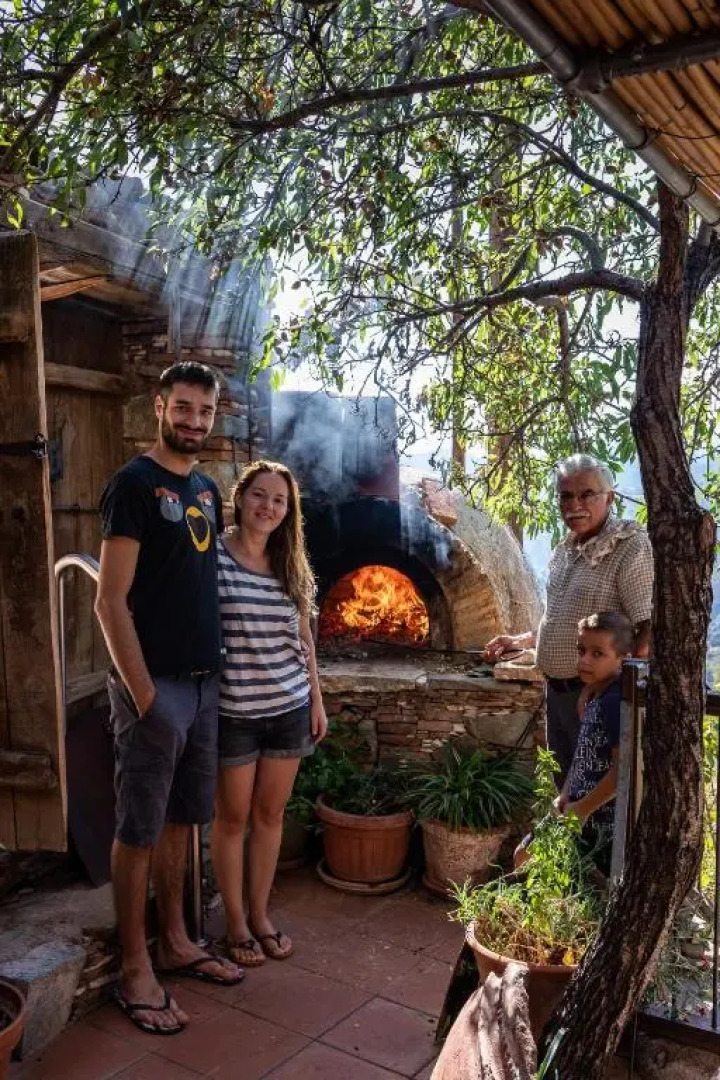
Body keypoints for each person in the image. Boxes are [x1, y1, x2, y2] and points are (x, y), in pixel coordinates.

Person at [96, 361, 242, 1037]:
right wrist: (145, 693)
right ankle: (133, 968)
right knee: (139, 828)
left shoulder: (207, 491)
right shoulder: (133, 484)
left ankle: (177, 941)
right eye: (182, 407)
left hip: (204, 684)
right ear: (159, 405)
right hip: (156, 689)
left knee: (184, 819)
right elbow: (109, 599)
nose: (192, 421)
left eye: (203, 412)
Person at [211, 460, 328, 966]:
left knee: (270, 815)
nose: (268, 507)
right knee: (232, 818)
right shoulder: (211, 557)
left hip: (288, 706)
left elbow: (304, 640)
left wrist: (317, 700)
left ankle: (260, 916)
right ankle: (234, 924)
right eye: (260, 495)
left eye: (279, 501)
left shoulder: (290, 563)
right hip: (232, 709)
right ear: (241, 498)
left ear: (288, 511)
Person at [484, 454, 652, 784]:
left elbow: (646, 630)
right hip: (559, 695)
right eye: (565, 496)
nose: (574, 504)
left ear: (610, 498)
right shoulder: (566, 549)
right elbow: (558, 617)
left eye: (586, 494)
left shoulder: (628, 548)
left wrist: (605, 688)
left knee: (599, 795)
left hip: (598, 701)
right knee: (568, 792)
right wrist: (518, 641)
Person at [515, 610, 634, 877]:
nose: (584, 661)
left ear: (623, 661)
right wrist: (566, 793)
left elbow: (622, 770)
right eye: (581, 651)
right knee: (524, 855)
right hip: (574, 808)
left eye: (597, 654)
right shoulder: (596, 696)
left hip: (597, 822)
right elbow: (582, 756)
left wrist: (583, 809)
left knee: (578, 882)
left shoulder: (614, 704)